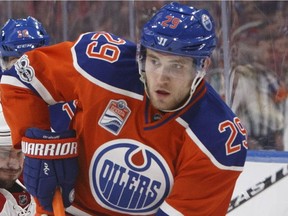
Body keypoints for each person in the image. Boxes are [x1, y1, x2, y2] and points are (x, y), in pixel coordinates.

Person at [0, 2, 247, 215]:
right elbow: (19, 78)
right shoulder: (100, 66)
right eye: (154, 61)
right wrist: (35, 145)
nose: (161, 77)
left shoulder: (218, 141)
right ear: (141, 56)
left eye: (177, 66)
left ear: (202, 67)